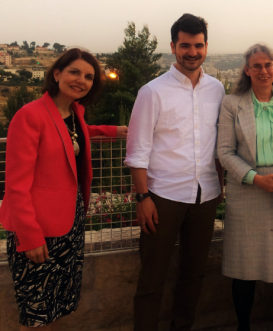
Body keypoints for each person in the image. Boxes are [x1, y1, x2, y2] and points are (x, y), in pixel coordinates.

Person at [0, 48, 126, 330]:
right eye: (74, 72)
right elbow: (16, 186)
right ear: (57, 74)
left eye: (89, 76)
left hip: (69, 225)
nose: (81, 80)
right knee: (36, 314)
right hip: (38, 230)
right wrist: (30, 236)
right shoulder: (29, 115)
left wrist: (113, 131)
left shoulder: (72, 112)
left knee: (56, 307)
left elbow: (74, 134)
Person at [125, 14, 225, 331]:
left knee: (194, 273)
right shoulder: (152, 92)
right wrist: (143, 197)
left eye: (198, 45)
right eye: (185, 45)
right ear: (173, 46)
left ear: (206, 46)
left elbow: (219, 142)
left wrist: (221, 187)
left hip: (206, 196)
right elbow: (138, 150)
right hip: (162, 197)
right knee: (152, 276)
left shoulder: (217, 90)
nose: (192, 52)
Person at [217, 43, 273, 331]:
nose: (263, 70)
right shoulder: (232, 104)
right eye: (257, 66)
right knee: (244, 266)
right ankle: (244, 326)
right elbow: (225, 152)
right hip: (247, 191)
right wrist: (255, 178)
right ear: (247, 70)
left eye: (268, 65)